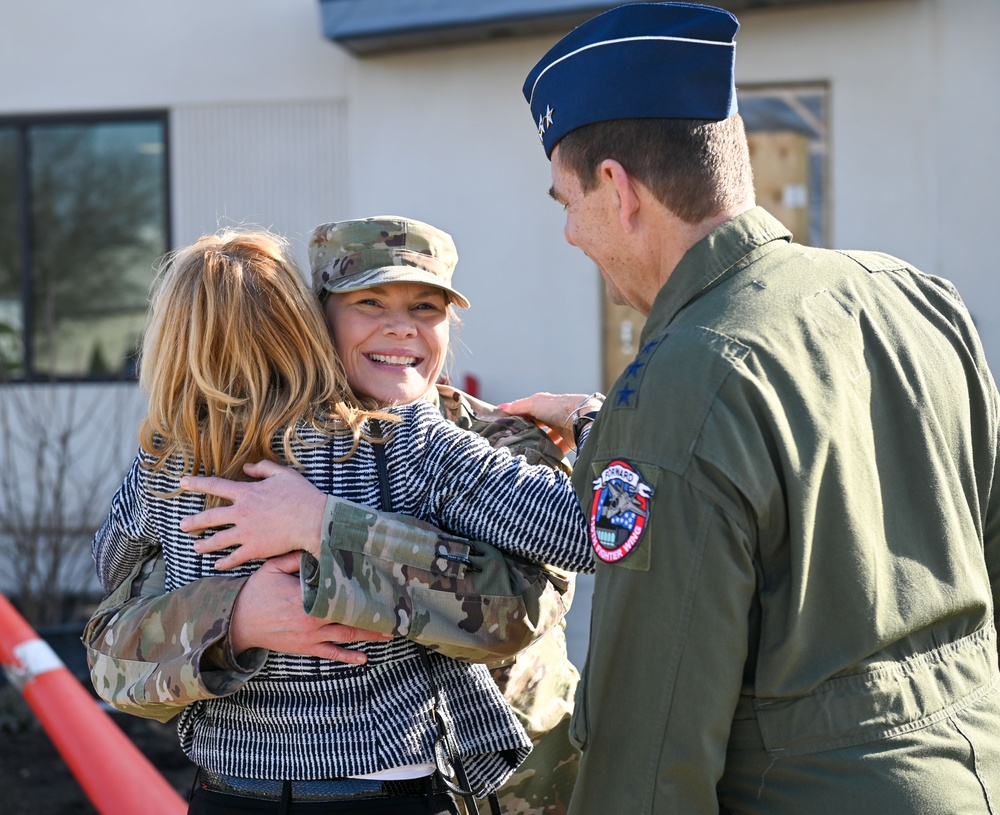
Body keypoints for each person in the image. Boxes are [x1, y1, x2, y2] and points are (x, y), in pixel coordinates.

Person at [500, 3, 1000, 813]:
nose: (569, 235)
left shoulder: (678, 385)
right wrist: (607, 426)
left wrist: (639, 426)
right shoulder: (912, 299)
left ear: (618, 188)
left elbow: (651, 752)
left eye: (565, 202)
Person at [86, 217, 586, 814]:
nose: (399, 327)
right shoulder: (402, 444)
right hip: (382, 781)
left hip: (512, 789)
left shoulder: (168, 466)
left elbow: (521, 610)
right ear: (311, 322)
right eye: (369, 302)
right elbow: (593, 529)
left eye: (426, 307)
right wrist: (236, 618)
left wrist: (323, 525)